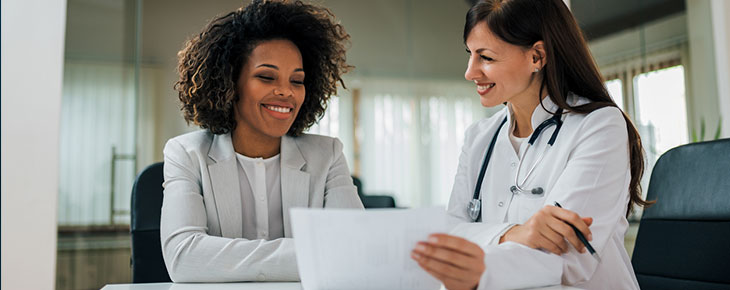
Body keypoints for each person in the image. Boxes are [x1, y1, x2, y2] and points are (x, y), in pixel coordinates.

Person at [410, 0, 651, 289]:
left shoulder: (599, 126)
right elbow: (450, 232)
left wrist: (480, 264)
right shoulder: (479, 137)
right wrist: (516, 232)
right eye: (470, 54)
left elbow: (568, 255)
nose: (470, 72)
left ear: (537, 56)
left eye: (485, 57)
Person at [160, 0, 362, 282]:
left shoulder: (327, 155)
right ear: (230, 84)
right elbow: (183, 258)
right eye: (266, 77)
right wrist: (316, 255)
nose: (285, 92)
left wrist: (222, 259)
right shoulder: (186, 154)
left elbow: (356, 251)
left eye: (297, 80)